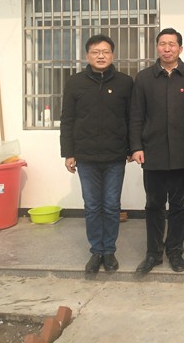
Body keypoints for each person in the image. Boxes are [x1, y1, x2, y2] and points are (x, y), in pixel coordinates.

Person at [130, 28, 184, 274]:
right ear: (157, 47)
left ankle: (175, 251)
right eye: (163, 44)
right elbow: (136, 116)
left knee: (179, 206)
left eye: (172, 44)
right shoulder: (144, 78)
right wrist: (136, 147)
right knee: (153, 205)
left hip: (182, 154)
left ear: (180, 49)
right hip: (153, 153)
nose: (167, 48)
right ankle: (153, 254)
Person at [60, 34, 134, 274]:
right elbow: (67, 120)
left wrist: (132, 148)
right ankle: (96, 251)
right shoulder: (75, 83)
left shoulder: (125, 82)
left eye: (105, 51)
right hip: (86, 157)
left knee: (111, 206)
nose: (100, 56)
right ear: (87, 56)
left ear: (113, 55)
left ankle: (109, 250)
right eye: (95, 52)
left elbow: (132, 118)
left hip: (115, 157)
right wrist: (68, 153)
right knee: (92, 206)